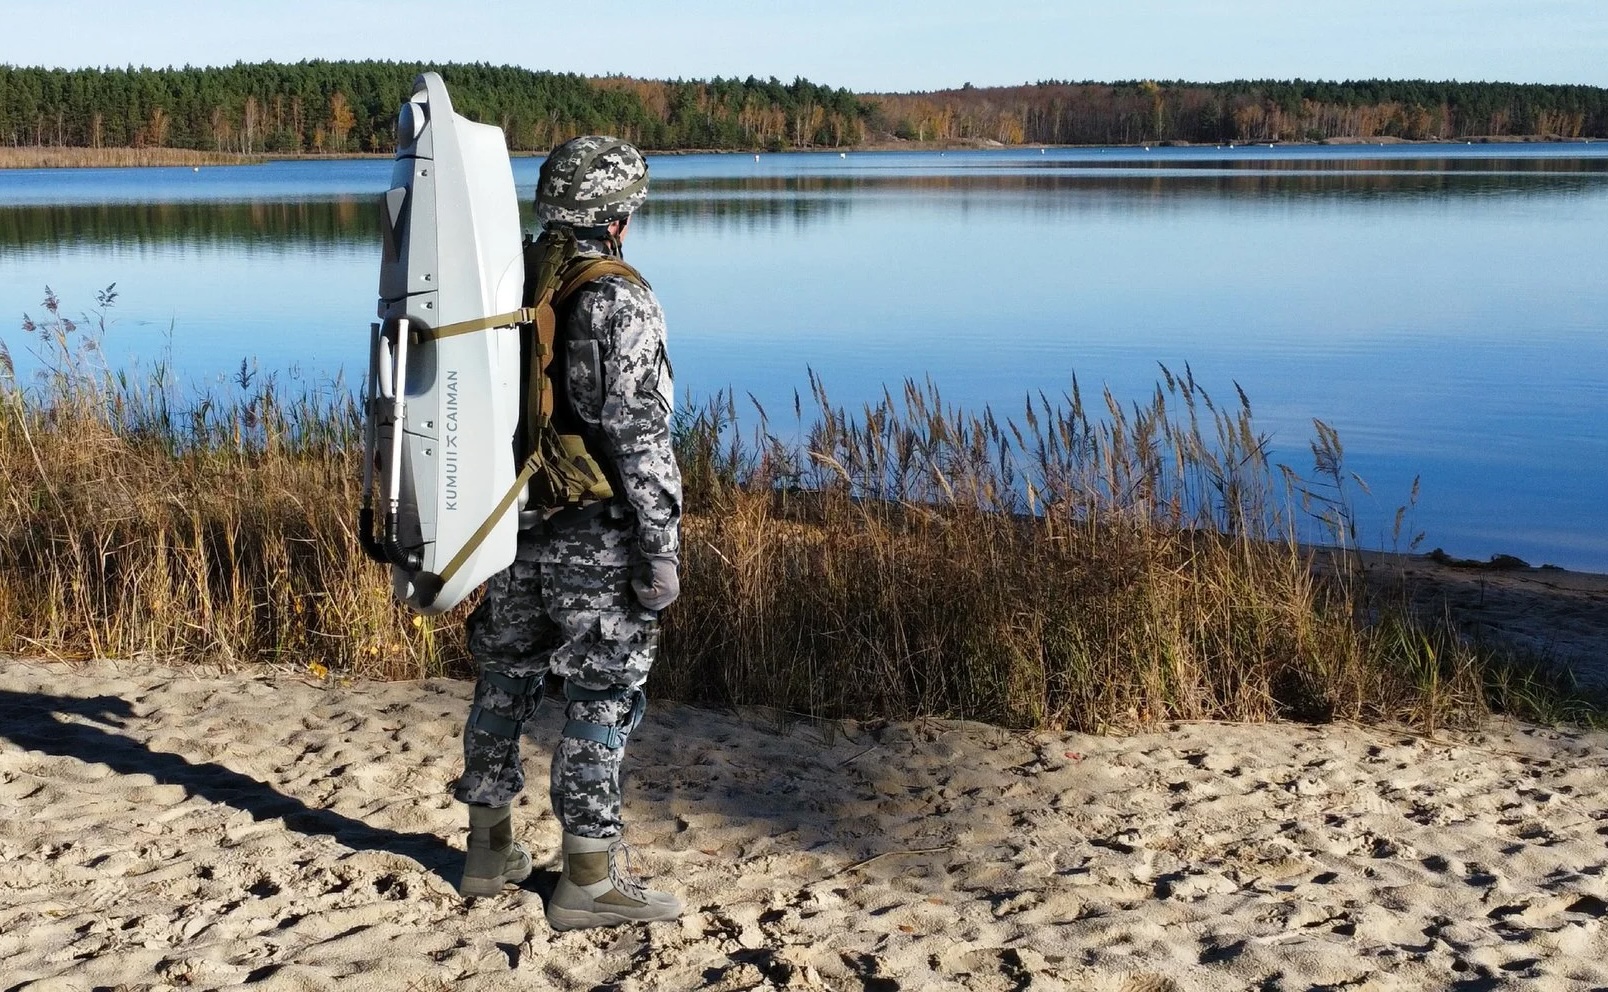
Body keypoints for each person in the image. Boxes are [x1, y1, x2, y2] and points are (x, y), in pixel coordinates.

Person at [451, 135, 683, 931]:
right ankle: (587, 878)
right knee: (601, 692)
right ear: (620, 214)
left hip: (513, 523)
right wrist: (660, 543)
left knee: (505, 678)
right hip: (596, 531)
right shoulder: (618, 297)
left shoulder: (508, 278)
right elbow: (639, 434)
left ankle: (487, 852)